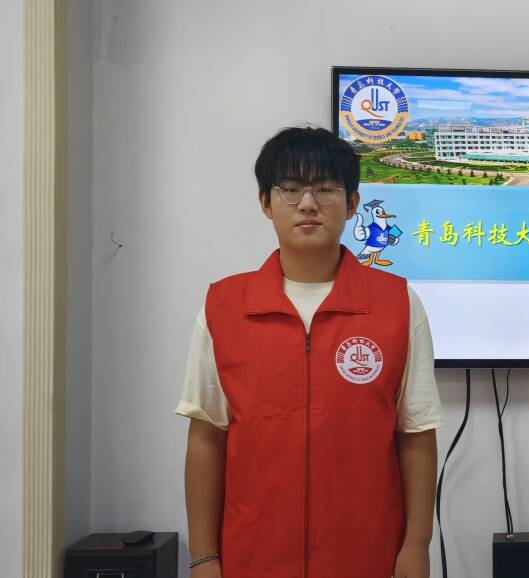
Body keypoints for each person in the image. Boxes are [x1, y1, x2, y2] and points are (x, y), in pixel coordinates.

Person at [175, 126, 444, 578]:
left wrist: (416, 546)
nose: (307, 203)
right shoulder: (224, 307)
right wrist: (203, 558)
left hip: (367, 555)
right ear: (266, 202)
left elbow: (416, 434)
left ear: (352, 203)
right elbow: (206, 438)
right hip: (254, 556)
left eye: (325, 188)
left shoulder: (396, 303)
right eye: (290, 188)